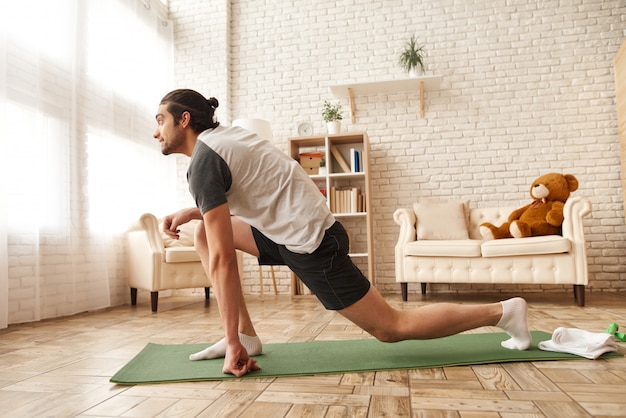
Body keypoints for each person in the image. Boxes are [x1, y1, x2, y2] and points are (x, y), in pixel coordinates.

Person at [154, 89, 531, 377]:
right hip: (286, 232)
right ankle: (248, 334)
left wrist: (230, 345)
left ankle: (503, 313)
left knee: (390, 327)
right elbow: (254, 188)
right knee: (203, 231)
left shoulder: (204, 160)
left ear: (184, 120)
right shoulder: (224, 138)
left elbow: (222, 260)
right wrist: (195, 210)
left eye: (160, 121)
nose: (156, 132)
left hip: (312, 244)